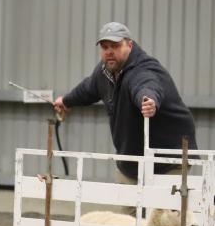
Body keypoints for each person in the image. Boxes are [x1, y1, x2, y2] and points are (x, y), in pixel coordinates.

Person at [53, 21, 197, 187]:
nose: (109, 52)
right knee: (128, 211)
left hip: (170, 158)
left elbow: (146, 85)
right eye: (105, 47)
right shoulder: (104, 71)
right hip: (132, 160)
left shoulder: (143, 68)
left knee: (163, 212)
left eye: (115, 46)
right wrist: (66, 101)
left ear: (129, 44)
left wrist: (149, 100)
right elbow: (88, 88)